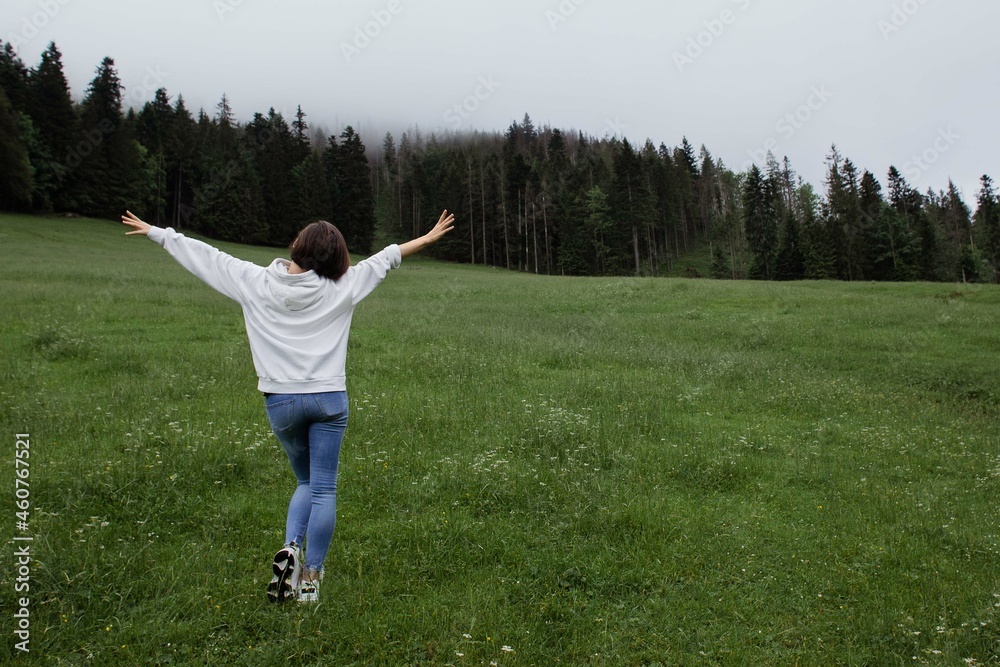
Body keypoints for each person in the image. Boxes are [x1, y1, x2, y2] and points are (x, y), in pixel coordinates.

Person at [121, 209, 455, 603]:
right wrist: (429, 238)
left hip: (281, 401)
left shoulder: (252, 280)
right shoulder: (343, 285)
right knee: (324, 487)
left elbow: (204, 255)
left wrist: (157, 232)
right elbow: (387, 257)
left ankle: (291, 550)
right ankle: (311, 578)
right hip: (329, 400)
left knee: (305, 481)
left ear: (297, 246)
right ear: (335, 258)